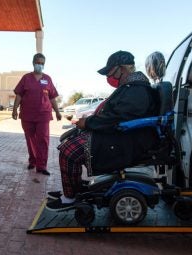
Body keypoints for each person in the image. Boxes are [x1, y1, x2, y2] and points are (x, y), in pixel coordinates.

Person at [46, 50, 160, 210]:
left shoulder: (137, 90)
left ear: (122, 69)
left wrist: (88, 123)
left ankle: (70, 198)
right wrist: (88, 122)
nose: (109, 77)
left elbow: (117, 118)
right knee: (69, 144)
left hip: (125, 139)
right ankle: (74, 189)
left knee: (68, 151)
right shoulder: (131, 87)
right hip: (119, 133)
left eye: (110, 72)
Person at [13, 53, 62, 175]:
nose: (40, 65)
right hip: (27, 114)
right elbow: (19, 95)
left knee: (43, 140)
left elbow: (52, 98)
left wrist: (57, 112)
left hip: (43, 115)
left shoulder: (48, 79)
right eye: (38, 63)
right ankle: (33, 161)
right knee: (30, 139)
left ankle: (42, 166)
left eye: (42, 63)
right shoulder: (26, 78)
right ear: (33, 63)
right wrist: (14, 109)